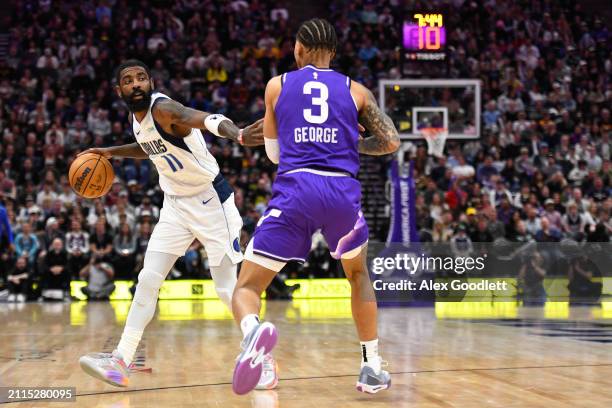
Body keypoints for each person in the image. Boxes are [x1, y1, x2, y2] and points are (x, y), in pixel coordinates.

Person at [230, 19, 399, 395]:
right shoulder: (356, 90)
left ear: (298, 49)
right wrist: (348, 144)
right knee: (357, 276)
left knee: (247, 287)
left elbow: (274, 154)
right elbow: (389, 142)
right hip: (341, 191)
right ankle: (371, 366)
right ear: (333, 54)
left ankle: (255, 337)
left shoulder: (278, 85)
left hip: (297, 189)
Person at [78, 59, 270, 389]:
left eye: (141, 78)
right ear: (119, 90)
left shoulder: (164, 108)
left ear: (150, 82)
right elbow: (150, 149)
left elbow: (198, 118)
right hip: (175, 206)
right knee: (148, 278)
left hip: (211, 203)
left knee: (226, 287)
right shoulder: (136, 120)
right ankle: (121, 359)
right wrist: (111, 152)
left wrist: (235, 132)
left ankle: (262, 358)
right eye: (128, 80)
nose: (136, 83)